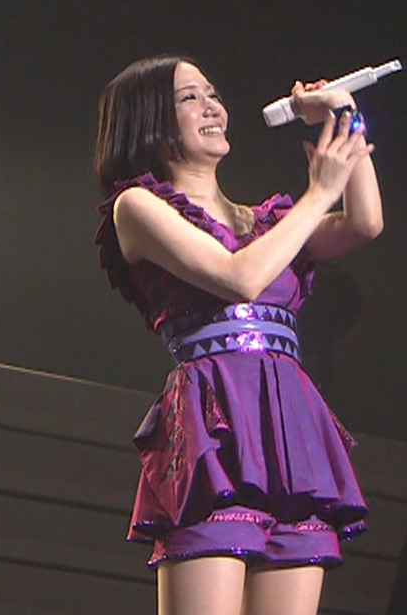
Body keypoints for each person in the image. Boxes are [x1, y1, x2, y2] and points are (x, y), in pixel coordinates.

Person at [93, 56, 382, 615]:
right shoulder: (137, 207)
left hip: (289, 427)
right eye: (190, 97)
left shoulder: (267, 222)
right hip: (213, 426)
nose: (212, 107)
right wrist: (319, 193)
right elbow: (239, 278)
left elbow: (364, 222)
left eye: (213, 94)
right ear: (149, 118)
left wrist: (344, 113)